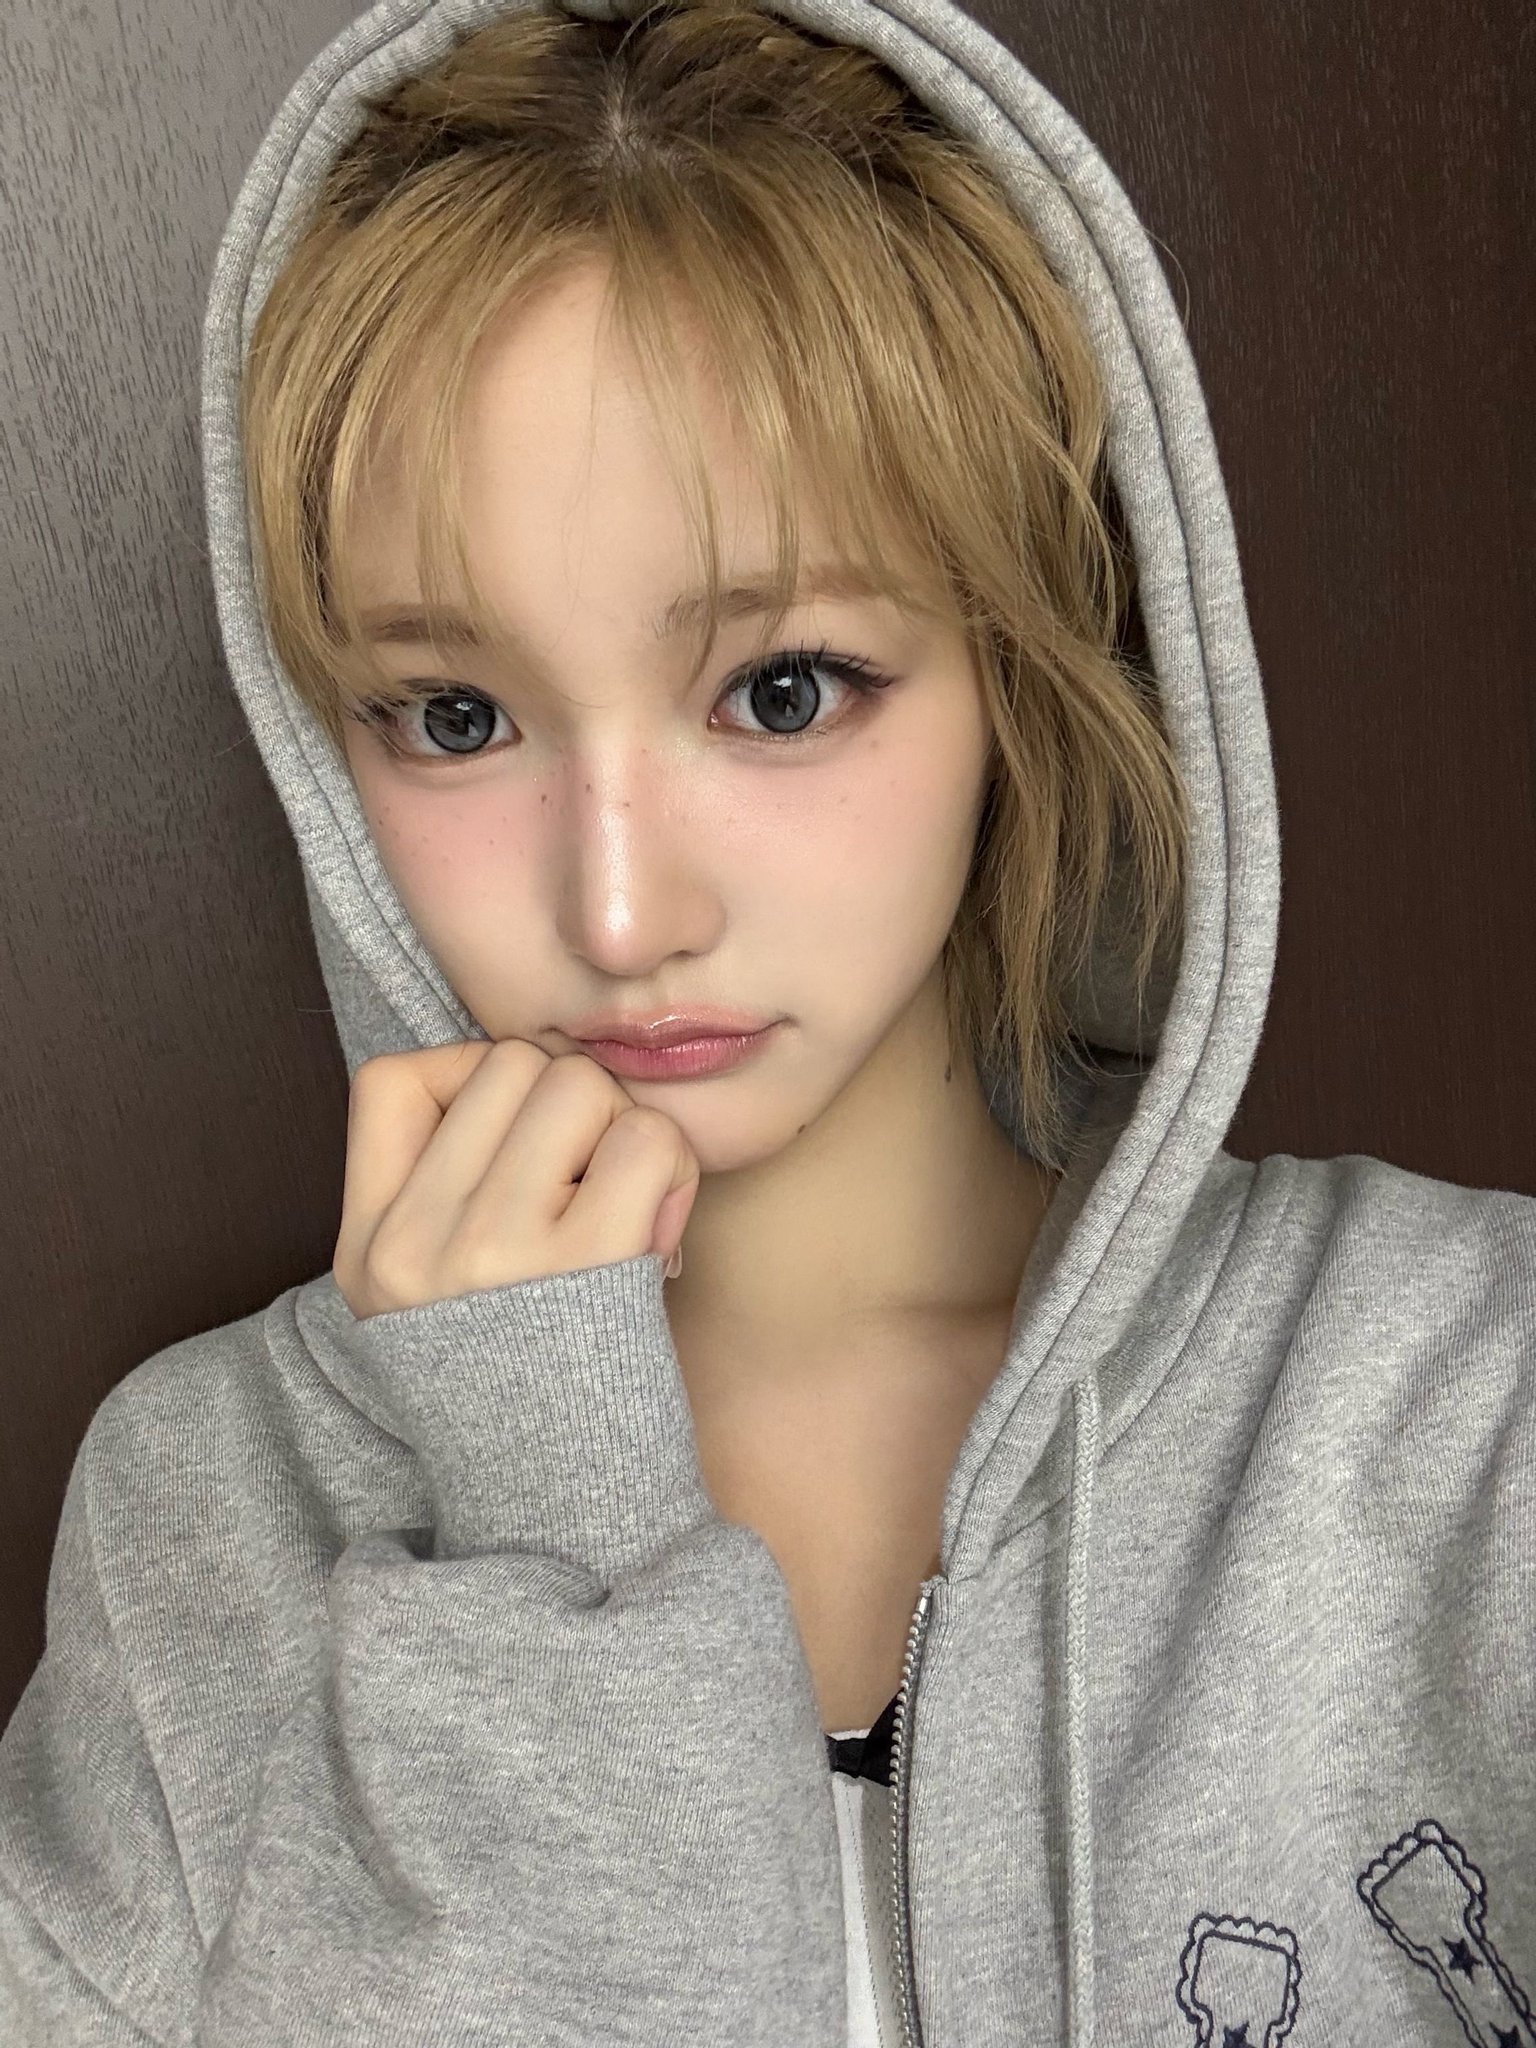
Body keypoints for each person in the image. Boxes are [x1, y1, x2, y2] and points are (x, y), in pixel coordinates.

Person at [1, 0, 1532, 2041]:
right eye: (453, 715)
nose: (620, 911)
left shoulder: (1471, 1406)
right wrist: (551, 1536)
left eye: (783, 690)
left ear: (1021, 666)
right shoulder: (206, 1510)